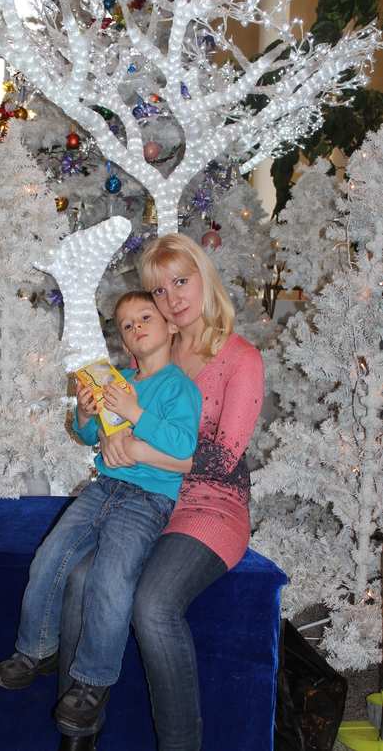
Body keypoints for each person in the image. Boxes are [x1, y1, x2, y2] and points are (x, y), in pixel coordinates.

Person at [55, 233, 265, 751]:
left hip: (210, 504)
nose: (172, 297)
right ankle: (77, 736)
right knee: (79, 578)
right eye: (158, 289)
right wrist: (109, 437)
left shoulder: (241, 358)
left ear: (204, 278)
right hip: (143, 498)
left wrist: (138, 447)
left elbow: (220, 460)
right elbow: (109, 428)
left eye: (181, 281)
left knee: (153, 604)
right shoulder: (148, 357)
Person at [0, 290, 202, 733]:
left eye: (146, 317)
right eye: (127, 325)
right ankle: (36, 648)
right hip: (102, 488)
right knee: (50, 556)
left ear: (170, 326)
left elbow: (183, 446)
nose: (137, 327)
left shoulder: (180, 387)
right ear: (124, 343)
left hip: (148, 500)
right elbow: (89, 436)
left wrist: (133, 410)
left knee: (111, 577)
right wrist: (86, 414)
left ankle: (92, 682)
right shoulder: (116, 380)